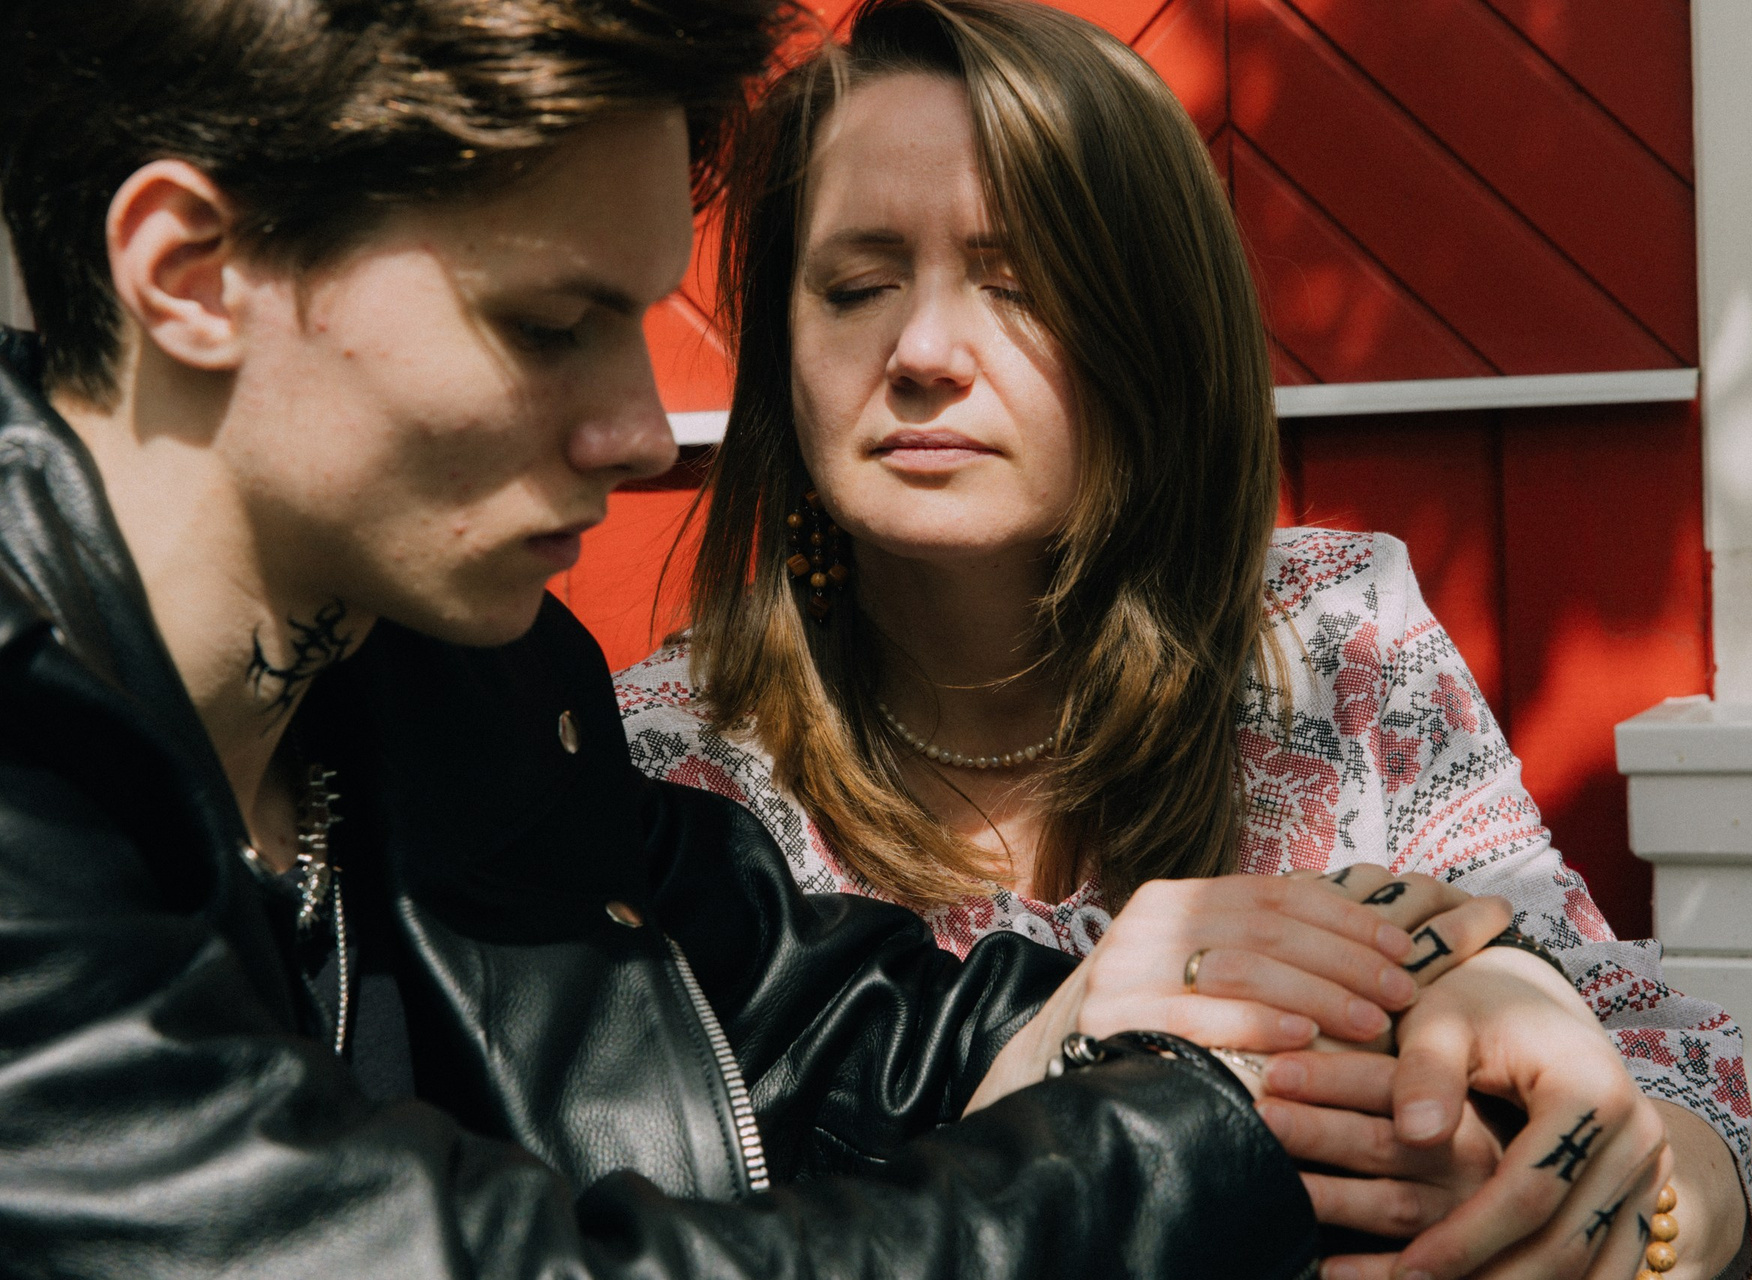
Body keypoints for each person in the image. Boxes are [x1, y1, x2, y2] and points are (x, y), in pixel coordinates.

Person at [0, 0, 1516, 1274]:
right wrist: (1199, 1135)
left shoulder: (474, 698)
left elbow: (822, 1017)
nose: (643, 432)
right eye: (549, 324)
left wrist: (1404, 1033)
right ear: (194, 274)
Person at [615, 1, 1752, 1276]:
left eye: (1016, 283)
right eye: (857, 286)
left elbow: (1661, 1064)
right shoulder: (669, 761)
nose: (923, 350)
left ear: (1152, 327)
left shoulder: (1332, 640)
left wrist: (1627, 1194)